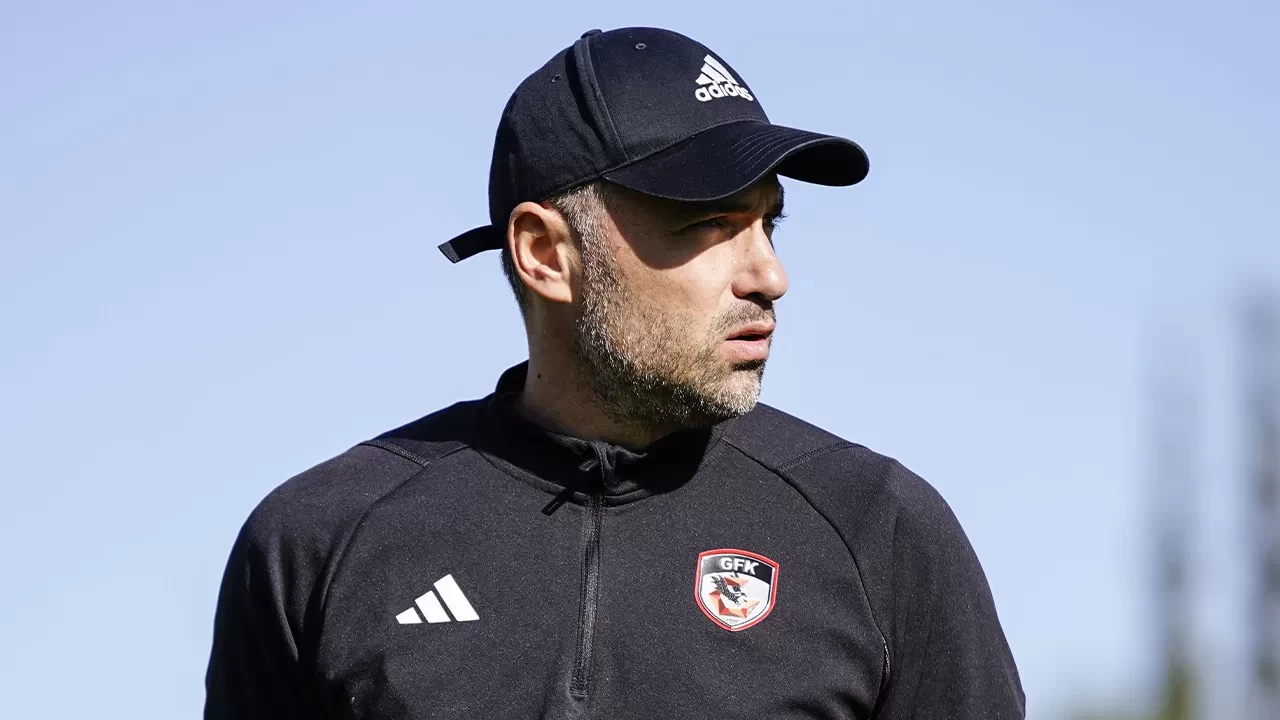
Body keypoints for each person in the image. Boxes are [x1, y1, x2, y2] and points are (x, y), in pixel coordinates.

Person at [204, 26, 1024, 719]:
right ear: (544, 253)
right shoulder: (319, 540)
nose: (769, 276)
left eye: (770, 225)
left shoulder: (881, 530)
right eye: (710, 225)